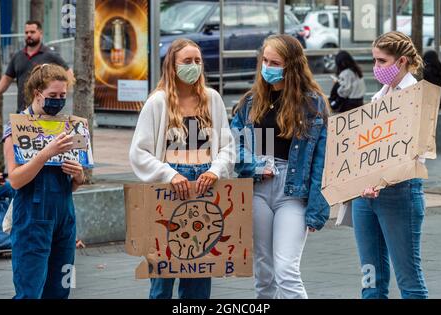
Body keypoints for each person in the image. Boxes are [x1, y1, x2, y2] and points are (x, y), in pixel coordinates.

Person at [129, 38, 235, 299]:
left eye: (198, 61)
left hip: (205, 185)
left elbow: (228, 146)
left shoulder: (212, 99)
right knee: (163, 272)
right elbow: (138, 151)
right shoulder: (158, 103)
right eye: (187, 61)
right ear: (172, 66)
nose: (194, 66)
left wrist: (215, 170)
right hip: (167, 189)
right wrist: (169, 173)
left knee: (199, 270)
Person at [231, 34, 330, 299]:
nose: (268, 67)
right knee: (264, 273)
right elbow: (233, 144)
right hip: (258, 187)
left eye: (275, 62)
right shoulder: (250, 102)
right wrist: (253, 165)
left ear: (291, 66)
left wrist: (317, 208)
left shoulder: (312, 104)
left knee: (286, 269)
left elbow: (322, 158)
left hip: (293, 190)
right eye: (265, 60)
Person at [352, 31, 428, 299]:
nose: (376, 68)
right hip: (366, 195)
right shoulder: (379, 97)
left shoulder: (417, 97)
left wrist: (381, 179)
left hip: (399, 192)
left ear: (403, 61)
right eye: (374, 61)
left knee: (409, 280)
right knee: (370, 277)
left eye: (382, 61)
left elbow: (418, 154)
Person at [2, 63, 84, 299]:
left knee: (61, 290)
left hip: (65, 217)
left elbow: (74, 183)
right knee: (30, 292)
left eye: (62, 96)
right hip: (31, 219)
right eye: (52, 96)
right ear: (38, 94)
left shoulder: (67, 126)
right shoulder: (16, 128)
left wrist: (78, 176)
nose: (58, 101)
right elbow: (15, 181)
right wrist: (45, 154)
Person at [0, 20, 73, 113]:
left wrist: (60, 92)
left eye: (32, 32)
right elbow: (7, 78)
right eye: (26, 32)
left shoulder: (51, 55)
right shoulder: (18, 56)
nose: (29, 35)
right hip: (22, 110)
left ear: (40, 33)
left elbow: (69, 73)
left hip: (44, 111)